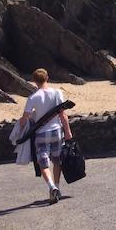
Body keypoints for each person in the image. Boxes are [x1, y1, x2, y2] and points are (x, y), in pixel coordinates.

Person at [18, 68, 73, 204]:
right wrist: (68, 132)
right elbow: (63, 114)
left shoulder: (33, 97)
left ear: (34, 81)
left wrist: (19, 130)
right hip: (56, 131)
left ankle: (51, 186)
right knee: (56, 160)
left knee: (43, 163)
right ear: (47, 77)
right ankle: (58, 187)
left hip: (41, 133)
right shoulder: (57, 93)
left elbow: (24, 118)